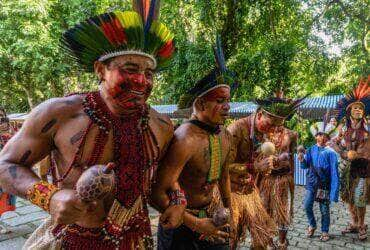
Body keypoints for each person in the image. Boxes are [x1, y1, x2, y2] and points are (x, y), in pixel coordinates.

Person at [0, 2, 183, 249]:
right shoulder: (59, 113)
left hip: (138, 240)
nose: (141, 80)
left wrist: (178, 201)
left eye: (149, 73)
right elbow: (5, 164)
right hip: (76, 239)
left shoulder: (161, 124)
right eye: (130, 69)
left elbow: (165, 179)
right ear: (100, 69)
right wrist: (50, 197)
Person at [152, 38, 235, 250]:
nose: (227, 106)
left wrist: (230, 212)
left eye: (228, 100)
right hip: (180, 225)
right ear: (200, 103)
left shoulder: (225, 135)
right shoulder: (184, 139)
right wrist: (197, 224)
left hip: (212, 217)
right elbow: (157, 194)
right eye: (219, 101)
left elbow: (224, 177)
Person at [227, 94, 305, 249]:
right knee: (231, 237)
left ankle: (280, 242)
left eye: (278, 126)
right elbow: (221, 168)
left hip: (250, 192)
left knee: (262, 237)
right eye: (271, 125)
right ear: (260, 114)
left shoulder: (264, 134)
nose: (273, 130)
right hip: (231, 193)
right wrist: (255, 167)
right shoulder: (236, 129)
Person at [332, 76, 369, 240]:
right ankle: (354, 223)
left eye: (361, 109)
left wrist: (359, 154)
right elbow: (334, 145)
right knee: (349, 198)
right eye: (355, 108)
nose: (358, 111)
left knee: (360, 199)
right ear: (349, 112)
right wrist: (344, 153)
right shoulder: (343, 130)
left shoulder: (368, 130)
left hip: (363, 170)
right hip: (347, 170)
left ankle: (362, 225)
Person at [298, 121, 339, 241]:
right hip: (311, 184)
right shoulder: (311, 149)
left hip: (324, 185)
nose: (320, 137)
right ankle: (312, 224)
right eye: (319, 135)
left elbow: (334, 174)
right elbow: (306, 165)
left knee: (324, 210)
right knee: (307, 206)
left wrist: (334, 192)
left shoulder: (331, 153)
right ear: (315, 136)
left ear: (327, 138)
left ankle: (325, 231)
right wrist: (301, 160)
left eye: (323, 135)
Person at [0, 108, 16, 234]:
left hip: (6, 168)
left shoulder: (9, 127)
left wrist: (10, 132)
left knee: (3, 196)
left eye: (2, 116)